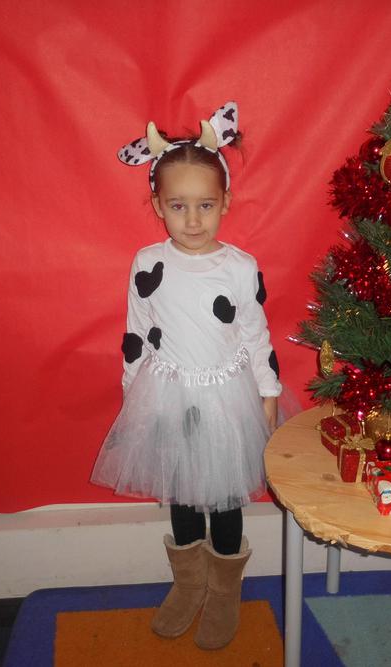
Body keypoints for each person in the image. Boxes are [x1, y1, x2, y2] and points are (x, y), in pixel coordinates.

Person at [91, 101, 281, 650]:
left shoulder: (240, 267)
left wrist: (268, 393)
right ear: (158, 205)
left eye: (205, 205)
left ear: (226, 202)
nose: (193, 220)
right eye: (178, 206)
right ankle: (190, 583)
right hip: (167, 396)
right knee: (180, 491)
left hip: (226, 398)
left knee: (224, 498)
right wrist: (133, 398)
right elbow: (135, 333)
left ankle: (223, 592)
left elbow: (256, 333)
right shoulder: (146, 263)